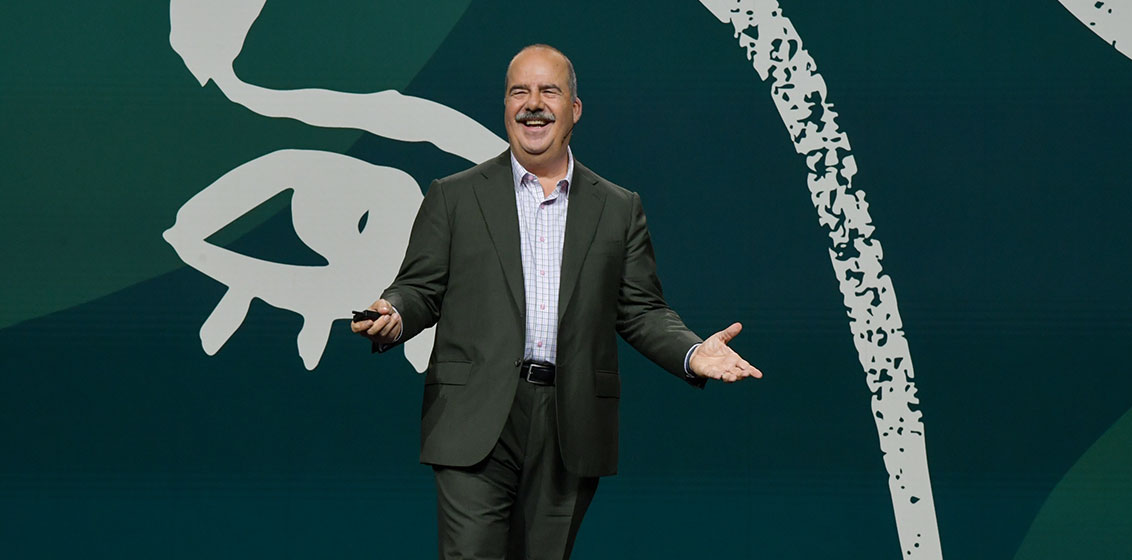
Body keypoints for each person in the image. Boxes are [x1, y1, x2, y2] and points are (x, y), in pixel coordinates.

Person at [352, 44, 761, 559]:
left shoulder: (618, 208)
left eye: (549, 91)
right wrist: (394, 313)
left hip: (571, 420)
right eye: (519, 92)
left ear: (575, 108)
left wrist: (692, 352)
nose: (533, 104)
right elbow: (419, 288)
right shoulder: (454, 196)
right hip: (473, 414)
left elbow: (641, 310)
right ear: (505, 106)